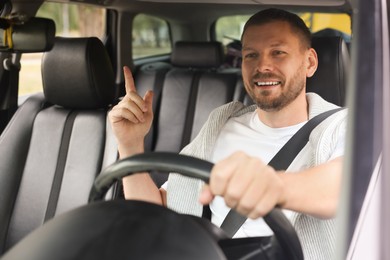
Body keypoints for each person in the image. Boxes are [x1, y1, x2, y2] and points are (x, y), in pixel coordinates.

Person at [109, 8, 347, 260]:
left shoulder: (340, 125)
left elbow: (345, 186)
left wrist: (274, 186)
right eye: (251, 55)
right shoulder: (222, 121)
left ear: (309, 62)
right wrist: (130, 143)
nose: (263, 65)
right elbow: (156, 213)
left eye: (278, 52)